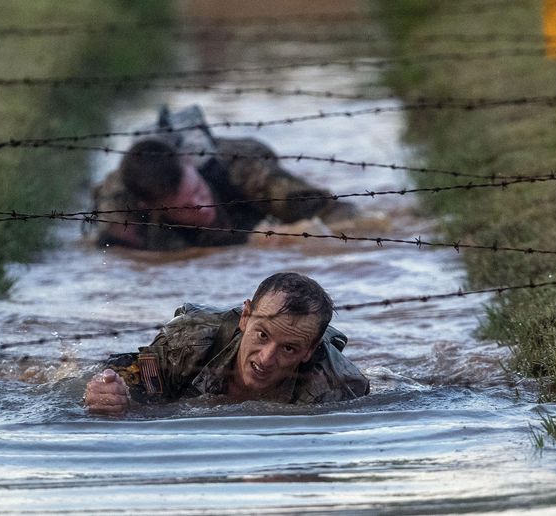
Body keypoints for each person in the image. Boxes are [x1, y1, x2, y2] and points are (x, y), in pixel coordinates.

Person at [83, 272, 370, 415]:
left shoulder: (336, 388)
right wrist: (111, 392)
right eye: (262, 335)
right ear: (245, 317)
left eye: (289, 348)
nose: (266, 359)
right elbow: (131, 370)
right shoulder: (191, 340)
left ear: (310, 349)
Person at [91, 135, 357, 251]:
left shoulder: (246, 171)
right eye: (186, 207)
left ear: (188, 162)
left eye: (198, 192)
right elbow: (115, 259)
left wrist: (301, 234)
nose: (201, 207)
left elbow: (337, 213)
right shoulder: (120, 212)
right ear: (150, 207)